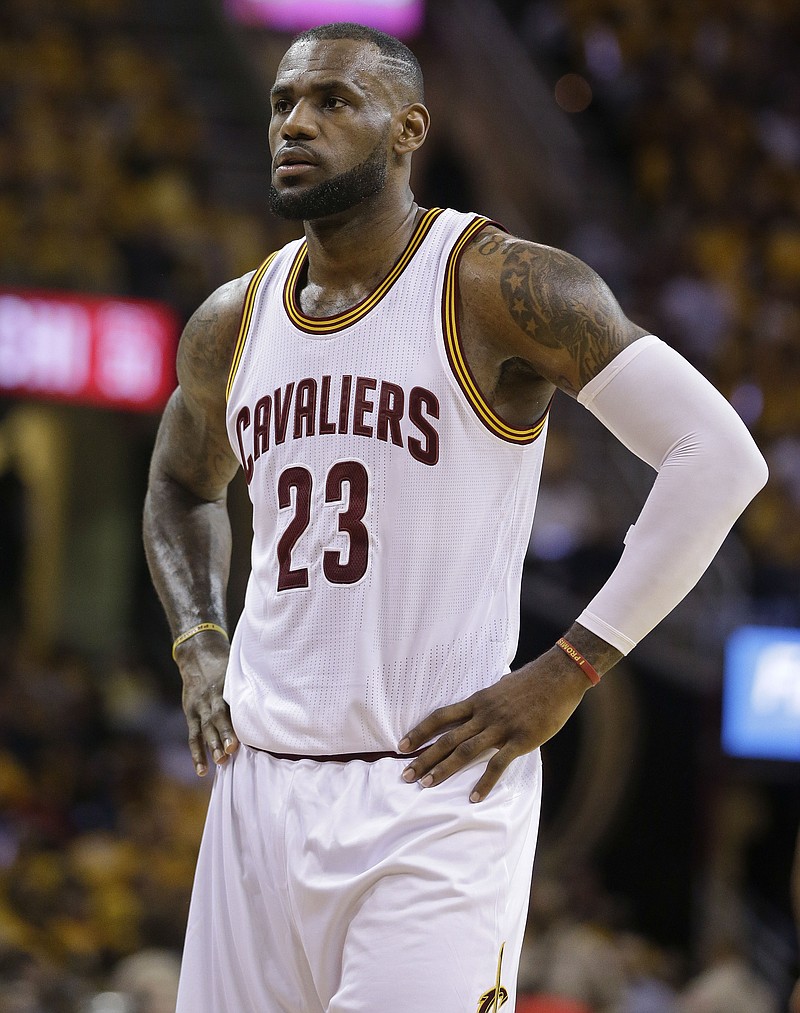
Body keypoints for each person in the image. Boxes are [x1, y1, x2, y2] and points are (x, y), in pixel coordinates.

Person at [142, 21, 768, 1013]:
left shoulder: (500, 285)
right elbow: (179, 483)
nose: (294, 123)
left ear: (407, 128)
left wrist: (569, 668)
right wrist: (196, 640)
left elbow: (718, 457)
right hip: (257, 794)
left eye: (331, 101)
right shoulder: (232, 319)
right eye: (281, 104)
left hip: (434, 792)